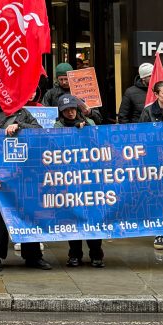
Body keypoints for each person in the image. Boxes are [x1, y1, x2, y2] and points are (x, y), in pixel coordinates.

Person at [0, 92, 51, 273]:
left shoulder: (23, 112)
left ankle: (33, 256)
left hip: (23, 176)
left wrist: (20, 126)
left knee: (28, 214)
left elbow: (39, 131)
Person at [54, 94, 104, 267]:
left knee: (93, 218)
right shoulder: (57, 127)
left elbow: (99, 144)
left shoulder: (89, 124)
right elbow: (56, 147)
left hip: (90, 180)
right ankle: (74, 254)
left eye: (73, 109)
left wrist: (85, 133)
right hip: (69, 181)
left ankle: (96, 253)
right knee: (72, 218)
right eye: (66, 110)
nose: (70, 113)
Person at [139, 80, 163, 251]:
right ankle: (159, 231)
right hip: (154, 160)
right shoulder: (148, 112)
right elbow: (141, 135)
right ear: (157, 94)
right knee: (157, 196)